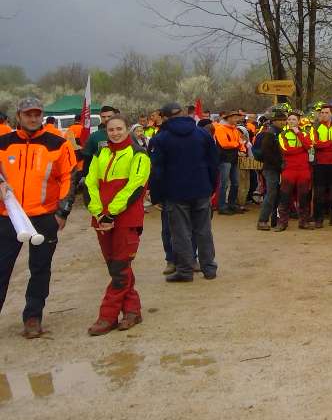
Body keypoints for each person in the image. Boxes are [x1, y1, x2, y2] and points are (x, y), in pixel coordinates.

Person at [0, 98, 76, 338]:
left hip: (43, 217)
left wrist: (62, 211)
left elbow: (70, 177)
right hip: (8, 216)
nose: (33, 118)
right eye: (28, 114)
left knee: (40, 269)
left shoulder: (58, 144)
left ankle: (33, 317)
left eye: (37, 114)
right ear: (19, 116)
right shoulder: (3, 143)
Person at [83, 114, 150, 335]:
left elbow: (135, 187)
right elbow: (90, 182)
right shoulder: (101, 153)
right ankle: (132, 311)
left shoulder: (139, 154)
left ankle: (107, 316)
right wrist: (97, 211)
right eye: (111, 129)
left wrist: (111, 213)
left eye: (119, 129)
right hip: (102, 219)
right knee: (116, 267)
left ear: (127, 129)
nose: (115, 133)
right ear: (106, 131)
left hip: (126, 219)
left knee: (120, 269)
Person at [148, 102, 219, 282]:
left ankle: (185, 271)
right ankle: (209, 268)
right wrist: (212, 186)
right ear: (183, 114)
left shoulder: (160, 139)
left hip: (175, 192)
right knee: (204, 230)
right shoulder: (202, 134)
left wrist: (156, 196)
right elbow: (213, 163)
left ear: (164, 117)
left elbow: (157, 171)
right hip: (202, 188)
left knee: (180, 233)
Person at [277, 111, 314, 231]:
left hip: (304, 169)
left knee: (303, 196)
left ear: (298, 121)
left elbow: (309, 146)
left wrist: (298, 134)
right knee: (285, 196)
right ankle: (283, 223)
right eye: (290, 120)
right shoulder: (282, 134)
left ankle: (303, 222)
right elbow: (286, 150)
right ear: (287, 121)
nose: (291, 122)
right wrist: (302, 149)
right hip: (289, 169)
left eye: (294, 120)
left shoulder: (304, 133)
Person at [254, 106, 286, 231]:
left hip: (275, 167)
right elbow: (267, 154)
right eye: (281, 120)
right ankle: (262, 220)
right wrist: (280, 164)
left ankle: (274, 219)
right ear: (274, 121)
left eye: (284, 120)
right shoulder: (270, 134)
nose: (283, 122)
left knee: (276, 194)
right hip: (271, 168)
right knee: (271, 194)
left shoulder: (278, 133)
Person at [310, 103, 332, 228]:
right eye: (322, 113)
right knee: (319, 192)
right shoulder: (315, 128)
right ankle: (318, 219)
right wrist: (331, 144)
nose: (323, 115)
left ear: (331, 114)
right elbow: (315, 144)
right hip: (319, 164)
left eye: (326, 113)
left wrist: (326, 145)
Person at [213, 110, 245, 215]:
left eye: (237, 117)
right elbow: (224, 144)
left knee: (235, 183)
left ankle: (231, 204)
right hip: (224, 159)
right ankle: (222, 206)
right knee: (224, 184)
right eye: (235, 117)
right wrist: (238, 144)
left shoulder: (235, 129)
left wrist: (242, 148)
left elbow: (240, 142)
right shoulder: (220, 129)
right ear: (229, 118)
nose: (237, 119)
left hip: (233, 158)